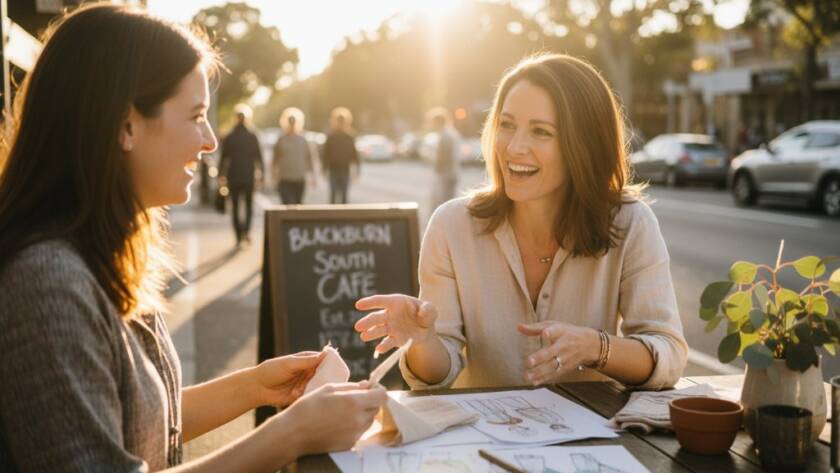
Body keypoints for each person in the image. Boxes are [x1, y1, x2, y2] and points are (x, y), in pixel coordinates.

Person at [0, 5, 386, 472]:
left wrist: (256, 387)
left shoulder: (97, 252)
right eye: (196, 114)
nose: (210, 141)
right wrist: (291, 434)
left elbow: (134, 419)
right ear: (126, 125)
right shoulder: (49, 283)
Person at [354, 53, 688, 391]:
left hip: (595, 439)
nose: (514, 147)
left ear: (585, 144)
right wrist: (424, 341)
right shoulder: (450, 226)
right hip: (481, 438)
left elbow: (668, 356)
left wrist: (595, 347)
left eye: (541, 131)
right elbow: (437, 375)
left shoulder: (631, 223)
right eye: (507, 125)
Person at [219, 104, 264, 246]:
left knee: (235, 206)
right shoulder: (252, 136)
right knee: (249, 206)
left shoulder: (230, 136)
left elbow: (224, 157)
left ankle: (238, 236)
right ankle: (247, 231)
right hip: (249, 175)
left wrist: (221, 175)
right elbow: (259, 157)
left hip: (234, 176)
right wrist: (262, 175)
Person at [272, 107, 316, 205]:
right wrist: (274, 177)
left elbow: (309, 158)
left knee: (298, 204)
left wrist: (313, 176)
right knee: (286, 204)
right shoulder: (281, 139)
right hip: (284, 178)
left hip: (299, 177)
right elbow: (275, 160)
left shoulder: (303, 140)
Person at [322, 107, 360, 204]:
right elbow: (325, 154)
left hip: (345, 170)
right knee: (333, 195)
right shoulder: (331, 137)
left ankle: (344, 216)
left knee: (344, 195)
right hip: (333, 169)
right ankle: (331, 217)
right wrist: (324, 169)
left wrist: (357, 169)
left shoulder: (349, 137)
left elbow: (354, 154)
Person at [427, 107, 461, 210]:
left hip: (445, 175)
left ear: (438, 122)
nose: (432, 125)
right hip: (452, 173)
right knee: (449, 202)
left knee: (443, 204)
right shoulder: (452, 132)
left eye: (433, 122)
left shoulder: (445, 135)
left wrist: (436, 170)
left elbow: (442, 158)